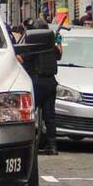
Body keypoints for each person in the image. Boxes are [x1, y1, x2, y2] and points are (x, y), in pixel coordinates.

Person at [17, 26, 61, 156]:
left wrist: (13, 53)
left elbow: (21, 59)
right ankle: (53, 146)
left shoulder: (33, 46)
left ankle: (25, 145)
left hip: (36, 82)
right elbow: (59, 55)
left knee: (27, 114)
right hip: (50, 83)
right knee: (50, 116)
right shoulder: (50, 46)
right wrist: (58, 41)